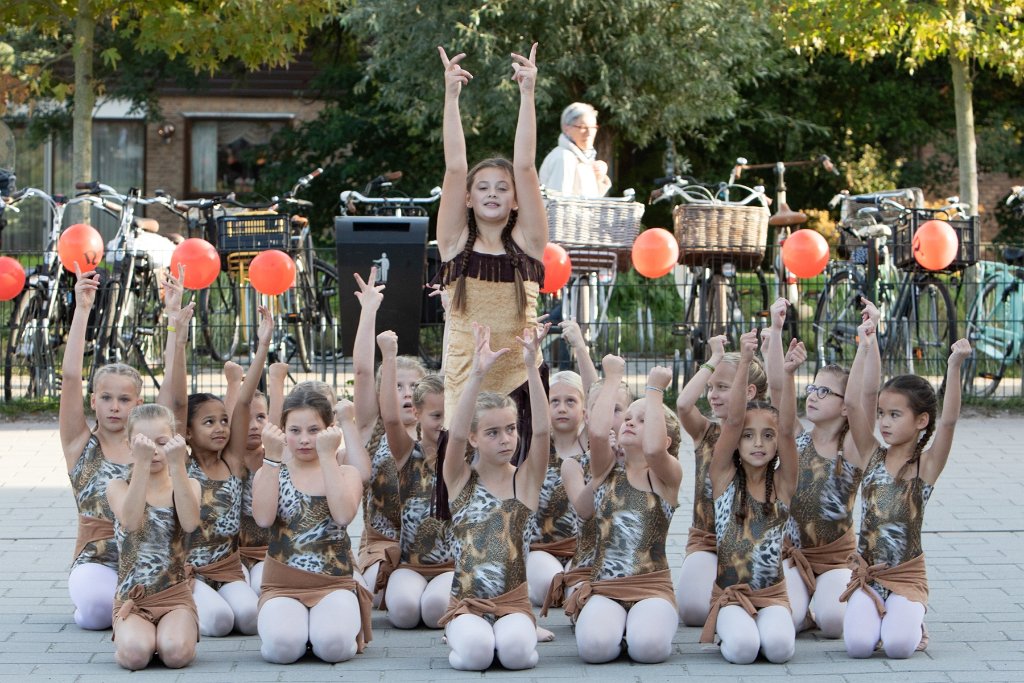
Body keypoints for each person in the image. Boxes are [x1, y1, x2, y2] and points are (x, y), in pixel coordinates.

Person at [434, 43, 548, 461]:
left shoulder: (529, 244)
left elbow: (526, 166)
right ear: (468, 199)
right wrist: (450, 98)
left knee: (519, 491)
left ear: (516, 201)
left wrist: (528, 95)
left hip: (519, 381)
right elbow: (455, 168)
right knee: (462, 488)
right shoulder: (453, 245)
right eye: (483, 188)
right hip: (466, 383)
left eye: (501, 188)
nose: (493, 193)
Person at [840, 308, 970, 659]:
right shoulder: (870, 454)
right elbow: (854, 402)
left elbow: (949, 422)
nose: (883, 422)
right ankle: (888, 617)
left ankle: (911, 619)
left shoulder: (926, 466)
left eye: (894, 415)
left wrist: (954, 367)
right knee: (858, 646)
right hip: (868, 575)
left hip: (906, 576)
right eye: (882, 414)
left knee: (898, 647)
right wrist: (866, 345)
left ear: (920, 420)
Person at [437, 323, 550, 671]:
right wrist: (476, 374)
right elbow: (453, 436)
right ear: (474, 438)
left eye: (511, 429)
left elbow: (543, 432)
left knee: (516, 656)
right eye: (492, 432)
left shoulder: (525, 481)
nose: (506, 439)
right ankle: (457, 631)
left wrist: (531, 367)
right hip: (468, 603)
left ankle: (523, 631)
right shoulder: (459, 479)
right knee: (477, 655)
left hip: (514, 603)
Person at [565, 360, 681, 664]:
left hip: (651, 587)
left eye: (642, 420)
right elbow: (599, 432)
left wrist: (654, 391)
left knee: (649, 649)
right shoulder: (605, 469)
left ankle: (640, 630)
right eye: (627, 417)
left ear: (666, 439)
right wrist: (613, 377)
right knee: (594, 649)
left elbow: (655, 451)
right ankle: (614, 630)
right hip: (606, 587)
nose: (629, 422)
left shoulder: (666, 477)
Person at [699, 329, 801, 665]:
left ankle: (759, 627)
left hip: (772, 595)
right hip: (731, 596)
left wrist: (787, 375)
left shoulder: (783, 483)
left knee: (780, 650)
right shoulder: (723, 478)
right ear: (736, 443)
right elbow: (732, 421)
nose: (758, 443)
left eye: (767, 436)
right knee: (743, 651)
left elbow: (788, 429)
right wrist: (743, 360)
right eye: (749, 437)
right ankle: (731, 630)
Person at [252, 387, 371, 664]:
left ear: (330, 430)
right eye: (294, 431)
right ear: (282, 431)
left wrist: (328, 456)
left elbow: (342, 516)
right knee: (283, 649)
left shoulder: (345, 472)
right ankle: (293, 630)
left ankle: (329, 628)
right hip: (281, 584)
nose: (304, 440)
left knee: (334, 648)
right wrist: (270, 457)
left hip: (334, 583)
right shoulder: (270, 472)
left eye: (314, 430)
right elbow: (263, 519)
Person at [778, 299, 872, 638]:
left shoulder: (852, 449)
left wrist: (866, 343)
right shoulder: (798, 440)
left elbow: (865, 396)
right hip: (792, 553)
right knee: (786, 619)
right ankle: (802, 607)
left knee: (834, 623)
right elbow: (782, 412)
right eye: (812, 388)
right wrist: (787, 370)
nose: (813, 395)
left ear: (846, 407)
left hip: (834, 557)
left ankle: (844, 599)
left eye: (824, 391)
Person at [178, 307, 272, 637]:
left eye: (222, 420)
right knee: (219, 623)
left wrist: (262, 347)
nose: (220, 428)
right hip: (190, 568)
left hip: (227, 567)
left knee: (248, 618)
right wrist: (178, 339)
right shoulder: (180, 464)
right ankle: (177, 605)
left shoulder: (231, 462)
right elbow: (175, 401)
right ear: (187, 432)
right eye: (208, 422)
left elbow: (243, 403)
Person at [59, 266, 143, 630]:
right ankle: (92, 603)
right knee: (96, 614)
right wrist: (82, 309)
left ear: (137, 405)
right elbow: (71, 377)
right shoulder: (81, 445)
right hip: (95, 560)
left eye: (123, 399)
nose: (114, 406)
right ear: (93, 401)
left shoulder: (147, 447)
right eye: (106, 397)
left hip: (144, 557)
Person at [673, 334, 769, 626]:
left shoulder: (766, 438)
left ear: (748, 390)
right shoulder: (706, 432)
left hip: (753, 541)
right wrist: (713, 360)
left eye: (722, 388)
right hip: (708, 540)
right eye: (711, 387)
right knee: (692, 613)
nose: (712, 395)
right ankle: (723, 596)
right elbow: (683, 405)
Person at [107, 403, 201, 670]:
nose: (154, 450)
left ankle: (172, 636)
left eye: (162, 442)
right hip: (133, 598)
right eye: (144, 443)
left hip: (174, 596)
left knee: (175, 655)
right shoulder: (118, 486)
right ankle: (135, 640)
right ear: (130, 446)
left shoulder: (188, 484)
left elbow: (190, 522)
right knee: (135, 657)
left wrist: (178, 465)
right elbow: (132, 521)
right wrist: (142, 464)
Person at [351, 267, 426, 603]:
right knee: (382, 597)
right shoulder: (372, 427)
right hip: (381, 544)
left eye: (414, 386)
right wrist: (369, 312)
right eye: (397, 386)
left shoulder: (436, 431)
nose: (407, 393)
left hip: (429, 547)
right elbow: (363, 371)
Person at [376, 331, 455, 629]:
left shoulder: (461, 455)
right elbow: (391, 419)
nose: (444, 423)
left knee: (435, 611)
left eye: (449, 415)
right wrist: (389, 356)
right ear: (418, 413)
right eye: (436, 416)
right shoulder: (407, 455)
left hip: (451, 565)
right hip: (412, 564)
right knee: (405, 614)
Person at [538, 102, 611, 197]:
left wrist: (599, 178)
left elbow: (592, 202)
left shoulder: (585, 158)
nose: (589, 133)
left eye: (593, 127)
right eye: (583, 127)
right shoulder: (564, 158)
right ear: (566, 128)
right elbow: (559, 205)